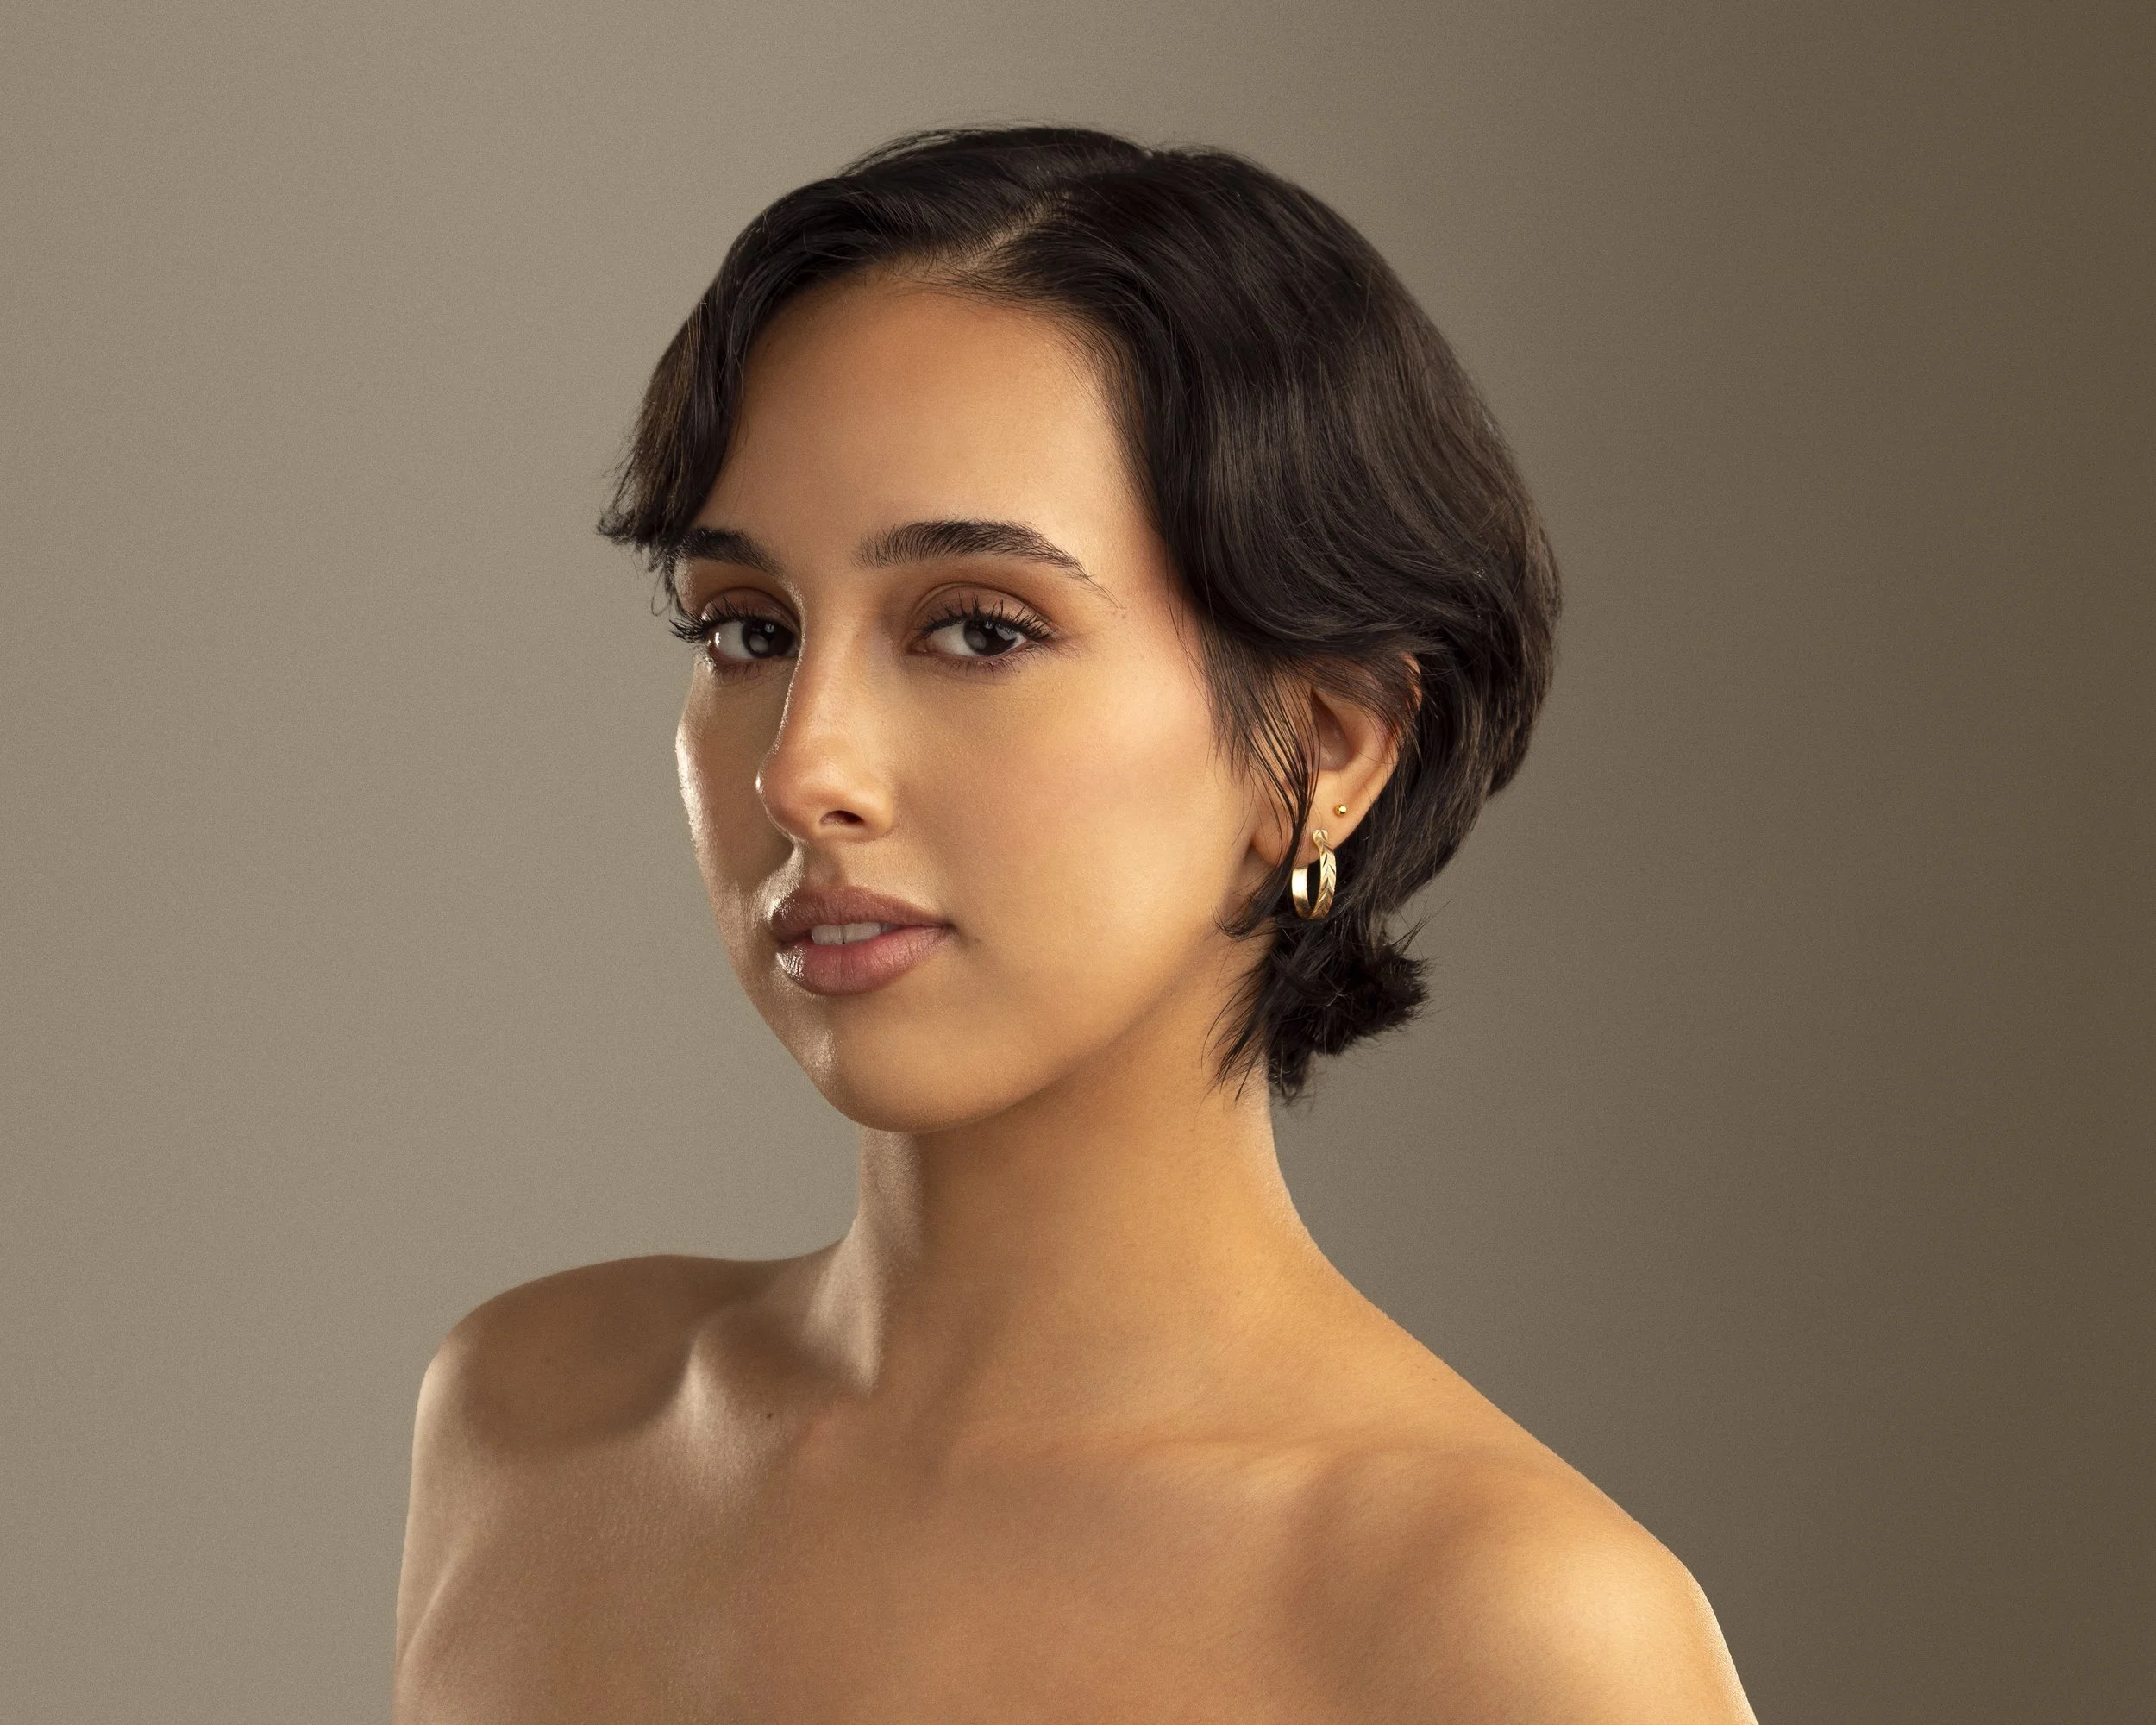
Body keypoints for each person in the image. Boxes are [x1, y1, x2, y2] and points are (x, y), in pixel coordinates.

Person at [392, 126, 1757, 1722]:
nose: (805, 763)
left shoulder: (1504, 1626)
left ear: (1323, 751)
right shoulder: (534, 1423)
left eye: (979, 627)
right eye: (748, 628)